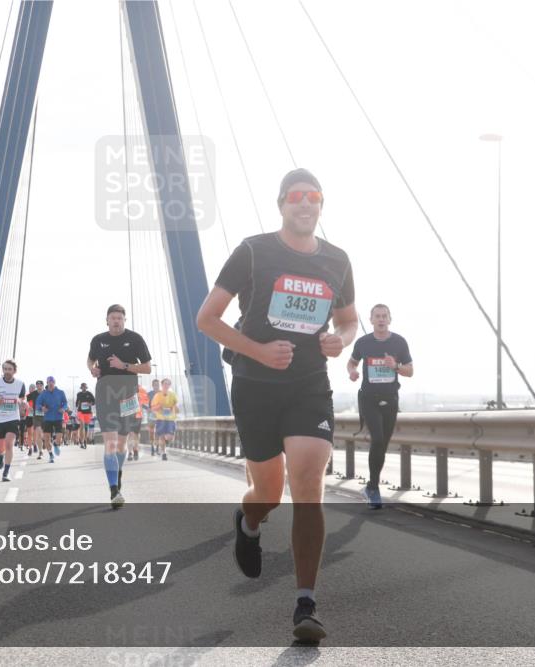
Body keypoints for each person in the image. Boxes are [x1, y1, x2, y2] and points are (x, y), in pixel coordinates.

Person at [196, 168, 358, 642]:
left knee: (307, 480)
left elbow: (348, 321)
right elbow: (207, 319)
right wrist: (259, 351)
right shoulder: (253, 251)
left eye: (314, 197)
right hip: (255, 384)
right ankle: (248, 522)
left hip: (309, 384)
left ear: (321, 205)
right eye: (296, 197)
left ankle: (305, 603)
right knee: (267, 492)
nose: (305, 204)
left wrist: (340, 341)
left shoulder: (338, 260)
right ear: (282, 204)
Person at [347, 304, 413, 509]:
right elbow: (351, 362)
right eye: (378, 316)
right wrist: (352, 372)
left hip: (390, 399)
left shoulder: (399, 342)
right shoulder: (363, 342)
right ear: (371, 320)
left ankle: (370, 485)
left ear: (390, 319)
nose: (381, 319)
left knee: (382, 445)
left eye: (385, 316)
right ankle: (374, 489)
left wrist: (395, 366)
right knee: (377, 439)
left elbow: (410, 371)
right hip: (368, 398)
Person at [87, 304, 152, 509]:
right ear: (107, 320)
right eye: (113, 318)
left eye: (120, 318)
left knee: (122, 445)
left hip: (128, 394)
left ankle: (117, 475)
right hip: (105, 392)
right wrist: (93, 369)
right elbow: (90, 360)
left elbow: (148, 368)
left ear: (124, 320)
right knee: (111, 444)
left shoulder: (135, 339)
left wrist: (123, 365)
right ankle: (114, 490)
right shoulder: (98, 340)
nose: (116, 321)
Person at [0, 360, 26, 482]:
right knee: (1, 447)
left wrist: (20, 402)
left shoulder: (20, 384)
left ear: (14, 371)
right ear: (3, 370)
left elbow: (22, 398)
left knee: (9, 444)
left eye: (10, 369)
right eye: (5, 369)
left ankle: (6, 472)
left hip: (13, 418)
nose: (7, 371)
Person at [35, 376, 68, 463]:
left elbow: (65, 403)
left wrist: (63, 408)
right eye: (49, 382)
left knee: (59, 439)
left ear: (54, 382)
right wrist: (42, 408)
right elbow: (37, 404)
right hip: (47, 418)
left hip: (58, 417)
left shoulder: (60, 392)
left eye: (52, 381)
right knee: (46, 438)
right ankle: (51, 455)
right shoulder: (44, 394)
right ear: (47, 383)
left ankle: (56, 444)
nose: (50, 383)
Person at [151, 378, 178, 461]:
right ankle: (164, 453)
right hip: (161, 419)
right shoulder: (157, 395)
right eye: (165, 383)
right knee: (162, 436)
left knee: (169, 437)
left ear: (169, 385)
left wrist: (172, 408)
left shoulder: (173, 395)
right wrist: (159, 407)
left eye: (168, 384)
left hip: (170, 419)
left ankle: (165, 443)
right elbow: (152, 408)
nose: (166, 385)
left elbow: (176, 407)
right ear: (162, 385)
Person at [75, 382, 95, 449]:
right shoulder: (79, 394)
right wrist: (77, 405)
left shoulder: (89, 394)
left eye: (85, 387)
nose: (83, 388)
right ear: (81, 388)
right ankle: (82, 441)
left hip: (88, 413)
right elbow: (77, 403)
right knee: (82, 425)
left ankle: (85, 440)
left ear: (86, 387)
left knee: (86, 427)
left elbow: (94, 402)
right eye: (82, 387)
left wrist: (90, 404)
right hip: (80, 412)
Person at [146, 379, 160, 455]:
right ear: (152, 386)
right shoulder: (149, 394)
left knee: (158, 432)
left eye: (157, 385)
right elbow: (142, 403)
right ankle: (152, 448)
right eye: (155, 385)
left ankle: (157, 448)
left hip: (159, 415)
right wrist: (147, 408)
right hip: (151, 415)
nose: (156, 386)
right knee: (151, 432)